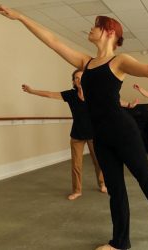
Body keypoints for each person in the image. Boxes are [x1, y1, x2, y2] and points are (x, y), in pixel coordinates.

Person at [0, 4, 148, 249]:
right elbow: (52, 41)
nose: (91, 29)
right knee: (115, 189)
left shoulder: (119, 61)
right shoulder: (86, 62)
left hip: (123, 131)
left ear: (108, 32)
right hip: (101, 135)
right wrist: (21, 17)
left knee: (145, 178)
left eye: (96, 25)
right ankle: (120, 242)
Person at [22, 70, 108, 200]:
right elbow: (50, 94)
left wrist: (129, 105)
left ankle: (102, 184)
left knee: (99, 162)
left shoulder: (94, 94)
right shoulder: (70, 95)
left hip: (93, 134)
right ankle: (77, 190)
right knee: (76, 165)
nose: (79, 80)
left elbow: (112, 101)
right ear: (73, 81)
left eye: (82, 78)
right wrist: (32, 91)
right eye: (76, 78)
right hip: (77, 135)